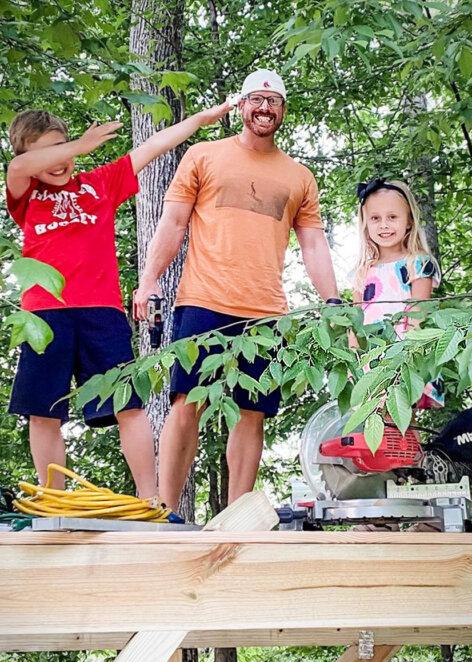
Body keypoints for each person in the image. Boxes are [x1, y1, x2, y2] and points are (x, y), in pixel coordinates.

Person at [132, 69, 339, 510]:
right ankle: (165, 512)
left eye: (274, 101)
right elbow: (171, 223)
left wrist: (334, 302)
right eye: (256, 100)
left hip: (265, 312)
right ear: (241, 106)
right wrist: (147, 282)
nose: (265, 108)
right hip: (202, 301)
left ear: (282, 110)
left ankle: (238, 516)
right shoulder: (204, 156)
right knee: (186, 403)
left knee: (252, 412)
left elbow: (314, 243)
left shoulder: (299, 176)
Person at [5, 102, 231, 494]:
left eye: (63, 147)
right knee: (43, 412)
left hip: (101, 313)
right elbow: (17, 168)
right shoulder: (25, 192)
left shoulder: (99, 184)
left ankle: (149, 500)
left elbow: (152, 148)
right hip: (44, 315)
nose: (62, 160)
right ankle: (54, 499)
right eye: (49, 152)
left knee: (129, 405)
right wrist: (80, 145)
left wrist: (199, 120)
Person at [353, 177, 443, 408]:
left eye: (392, 217)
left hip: (406, 352)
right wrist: (355, 357)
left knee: (402, 415)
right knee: (379, 421)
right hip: (372, 357)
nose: (384, 225)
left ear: (409, 221)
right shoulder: (364, 271)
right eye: (375, 218)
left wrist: (403, 359)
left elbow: (417, 314)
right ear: (365, 224)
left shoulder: (418, 262)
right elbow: (355, 319)